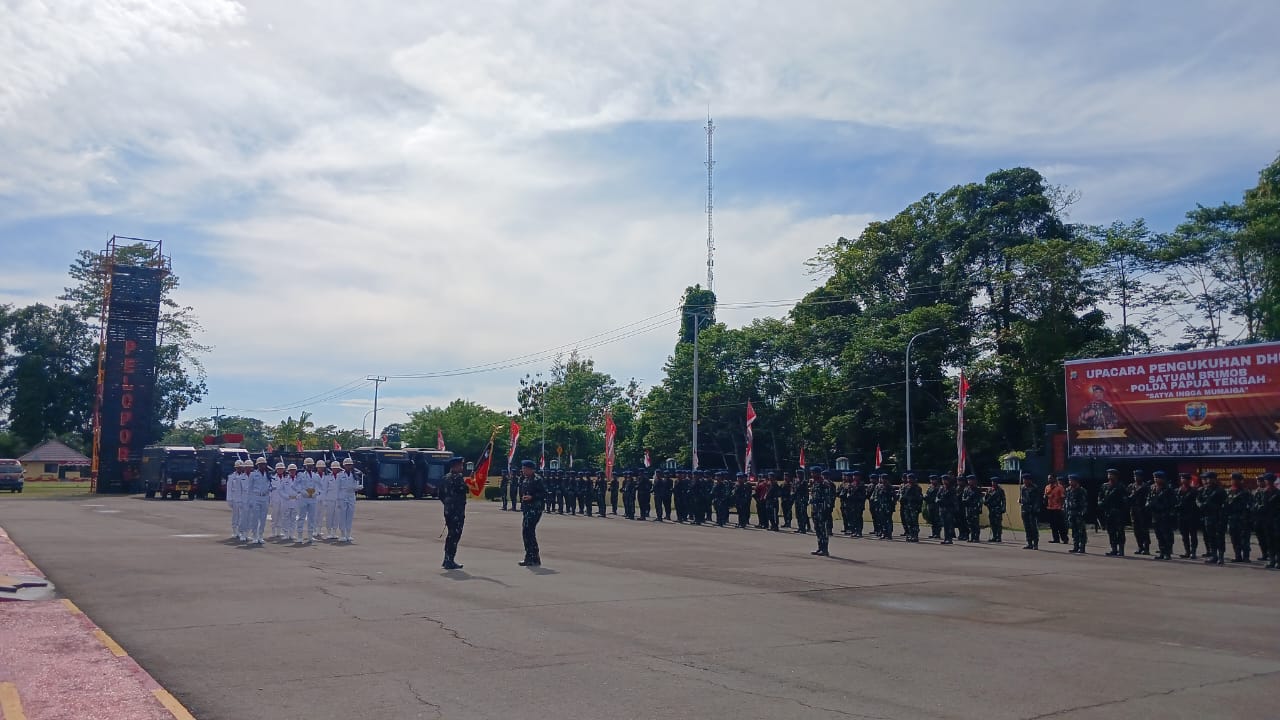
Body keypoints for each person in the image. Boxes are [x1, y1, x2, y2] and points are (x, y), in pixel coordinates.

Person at [439, 456, 468, 570]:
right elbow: (465, 490)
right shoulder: (458, 478)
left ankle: (447, 559)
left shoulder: (445, 478)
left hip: (448, 511)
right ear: (455, 466)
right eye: (460, 465)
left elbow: (440, 494)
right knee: (454, 536)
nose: (462, 467)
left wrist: (447, 504)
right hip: (457, 512)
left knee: (451, 535)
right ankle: (449, 560)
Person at [518, 459, 546, 566]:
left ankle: (532, 557)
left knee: (528, 531)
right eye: (523, 468)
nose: (523, 470)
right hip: (527, 509)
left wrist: (532, 497)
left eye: (525, 468)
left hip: (535, 509)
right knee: (527, 532)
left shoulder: (537, 479)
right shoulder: (525, 479)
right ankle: (532, 557)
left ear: (530, 469)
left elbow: (544, 493)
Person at [1146, 470, 1177, 560]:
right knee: (1158, 535)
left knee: (1166, 534)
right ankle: (1162, 552)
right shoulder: (1152, 487)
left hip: (1165, 515)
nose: (1156, 479)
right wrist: (1148, 504)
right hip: (1155, 515)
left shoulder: (1168, 489)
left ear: (1163, 479)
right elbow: (1149, 497)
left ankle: (1167, 553)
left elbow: (1172, 502)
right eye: (1155, 478)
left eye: (1158, 478)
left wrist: (1161, 506)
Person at [1197, 472, 1227, 565]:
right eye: (1206, 479)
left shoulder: (1220, 491)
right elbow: (1197, 499)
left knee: (1219, 537)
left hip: (1218, 517)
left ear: (1214, 479)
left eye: (1210, 479)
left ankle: (1221, 557)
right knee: (1211, 537)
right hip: (1208, 517)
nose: (1207, 481)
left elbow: (1225, 504)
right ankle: (1214, 555)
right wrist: (1200, 505)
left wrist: (1216, 507)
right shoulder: (1203, 490)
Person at [1099, 469, 1128, 557]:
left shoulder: (1120, 486)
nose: (1109, 476)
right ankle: (1114, 549)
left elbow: (1125, 500)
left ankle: (1121, 550)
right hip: (1108, 512)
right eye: (1108, 474)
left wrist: (1122, 510)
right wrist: (1100, 502)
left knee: (1120, 531)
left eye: (1111, 474)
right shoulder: (1104, 486)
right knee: (1111, 531)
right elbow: (1100, 496)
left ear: (1116, 476)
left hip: (1118, 512)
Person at [1225, 473, 1253, 563]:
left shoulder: (1246, 492)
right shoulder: (1229, 491)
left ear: (1239, 480)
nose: (1232, 481)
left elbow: (1250, 506)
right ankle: (1238, 556)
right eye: (1232, 479)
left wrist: (1247, 517)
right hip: (1232, 519)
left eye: (1234, 479)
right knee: (1234, 538)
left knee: (1245, 539)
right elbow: (1226, 504)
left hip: (1243, 519)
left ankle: (1246, 557)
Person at [334, 457, 362, 542]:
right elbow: (337, 488)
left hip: (351, 496)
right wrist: (337, 500)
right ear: (344, 466)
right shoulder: (340, 475)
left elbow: (356, 485)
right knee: (342, 516)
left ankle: (348, 534)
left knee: (350, 516)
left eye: (350, 465)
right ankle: (342, 534)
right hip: (342, 496)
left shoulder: (355, 475)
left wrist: (357, 488)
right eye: (347, 465)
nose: (349, 466)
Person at [809, 468, 835, 556]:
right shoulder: (814, 483)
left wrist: (826, 510)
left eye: (813, 473)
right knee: (817, 529)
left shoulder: (825, 484)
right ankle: (820, 548)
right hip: (815, 510)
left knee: (823, 530)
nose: (812, 475)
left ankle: (825, 549)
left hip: (822, 510)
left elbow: (828, 498)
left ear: (818, 473)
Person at [245, 461, 271, 544]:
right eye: (260, 464)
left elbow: (270, 485)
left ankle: (260, 536)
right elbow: (249, 488)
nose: (262, 466)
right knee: (255, 518)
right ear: (257, 465)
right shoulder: (253, 474)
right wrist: (250, 500)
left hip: (265, 497)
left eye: (263, 464)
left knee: (263, 519)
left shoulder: (268, 474)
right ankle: (255, 536)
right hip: (256, 497)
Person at [1127, 469, 1152, 555]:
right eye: (1134, 476)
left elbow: (1149, 498)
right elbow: (1128, 499)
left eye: (1137, 476)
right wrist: (1133, 495)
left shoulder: (1146, 486)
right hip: (1134, 510)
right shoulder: (1131, 486)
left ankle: (1146, 548)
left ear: (1141, 477)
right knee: (1136, 530)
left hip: (1143, 510)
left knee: (1144, 529)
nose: (1135, 478)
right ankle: (1140, 546)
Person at [1176, 473, 1201, 559]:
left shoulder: (1194, 491)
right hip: (1181, 516)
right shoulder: (1179, 490)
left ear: (1189, 480)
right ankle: (1187, 551)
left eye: (1185, 479)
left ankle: (1193, 552)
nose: (1183, 480)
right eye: (1182, 479)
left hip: (1191, 515)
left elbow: (1196, 503)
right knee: (1184, 535)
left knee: (1193, 535)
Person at [1065, 474, 1089, 554]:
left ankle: (1082, 547)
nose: (1070, 482)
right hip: (1071, 513)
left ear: (1076, 481)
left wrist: (1082, 512)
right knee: (1074, 530)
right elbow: (1067, 501)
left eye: (1071, 480)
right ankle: (1075, 546)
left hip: (1079, 513)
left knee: (1081, 531)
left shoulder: (1081, 490)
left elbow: (1084, 503)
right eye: (1069, 480)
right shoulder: (1068, 490)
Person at [1019, 472, 1041, 550]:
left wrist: (1035, 509)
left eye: (1025, 479)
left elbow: (1037, 500)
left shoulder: (1035, 488)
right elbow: (1022, 497)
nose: (1024, 481)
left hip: (1032, 510)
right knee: (1027, 527)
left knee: (1033, 527)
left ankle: (1035, 543)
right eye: (1023, 479)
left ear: (1029, 480)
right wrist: (1020, 500)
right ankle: (1029, 543)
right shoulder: (1022, 488)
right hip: (1024, 510)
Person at [899, 473, 923, 542]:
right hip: (906, 507)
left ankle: (915, 536)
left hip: (914, 507)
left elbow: (920, 498)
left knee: (914, 522)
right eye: (908, 478)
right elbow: (901, 496)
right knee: (908, 522)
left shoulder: (917, 488)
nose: (909, 480)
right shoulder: (905, 487)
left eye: (910, 478)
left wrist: (918, 507)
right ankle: (910, 535)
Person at [226, 459, 246, 541]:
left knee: (243, 516)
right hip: (234, 499)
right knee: (235, 516)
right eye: (238, 467)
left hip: (243, 499)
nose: (239, 469)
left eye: (241, 467)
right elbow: (229, 489)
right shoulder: (231, 477)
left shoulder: (245, 476)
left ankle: (242, 532)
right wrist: (229, 499)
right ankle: (235, 531)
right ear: (235, 468)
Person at [874, 474, 898, 540]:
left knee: (888, 520)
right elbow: (876, 496)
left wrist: (892, 504)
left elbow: (894, 497)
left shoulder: (890, 487)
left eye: (884, 478)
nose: (883, 480)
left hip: (888, 506)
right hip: (881, 506)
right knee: (882, 520)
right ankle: (884, 533)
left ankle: (889, 534)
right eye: (882, 478)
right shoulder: (879, 487)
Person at [1044, 475, 1067, 543]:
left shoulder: (1059, 487)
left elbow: (1063, 497)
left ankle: (1064, 538)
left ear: (1054, 479)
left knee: (1060, 525)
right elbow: (1045, 496)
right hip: (1050, 508)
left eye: (1050, 478)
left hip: (1058, 508)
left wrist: (1061, 506)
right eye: (1048, 478)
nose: (1049, 480)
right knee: (1053, 525)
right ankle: (1056, 539)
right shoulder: (1047, 487)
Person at [961, 476, 983, 543]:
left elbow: (980, 500)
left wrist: (979, 507)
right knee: (969, 523)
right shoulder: (966, 489)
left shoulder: (977, 489)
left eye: (971, 480)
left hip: (975, 508)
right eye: (968, 480)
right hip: (968, 508)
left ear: (974, 481)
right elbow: (963, 498)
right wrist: (966, 500)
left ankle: (976, 537)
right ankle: (972, 537)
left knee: (975, 524)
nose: (970, 481)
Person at [984, 478, 1006, 542]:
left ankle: (998, 537)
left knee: (998, 523)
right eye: (992, 482)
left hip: (998, 508)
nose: (993, 483)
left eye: (995, 482)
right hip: (991, 509)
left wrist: (1003, 508)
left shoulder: (1000, 490)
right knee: (992, 523)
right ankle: (994, 536)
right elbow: (985, 499)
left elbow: (1003, 500)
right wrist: (986, 504)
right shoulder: (989, 490)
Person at [937, 475, 958, 544]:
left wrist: (944, 501)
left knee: (949, 524)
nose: (944, 481)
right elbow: (938, 496)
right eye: (943, 480)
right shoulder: (941, 488)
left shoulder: (952, 489)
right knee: (945, 524)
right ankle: (946, 538)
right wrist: (938, 500)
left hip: (949, 509)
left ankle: (949, 539)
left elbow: (953, 500)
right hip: (942, 508)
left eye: (945, 480)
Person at [792, 470, 810, 534]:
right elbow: (793, 489)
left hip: (802, 500)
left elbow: (806, 492)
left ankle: (803, 528)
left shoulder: (804, 482)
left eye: (799, 474)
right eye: (797, 474)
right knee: (798, 514)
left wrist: (806, 500)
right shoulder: (796, 482)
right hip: (797, 500)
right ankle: (800, 527)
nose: (798, 475)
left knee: (803, 515)